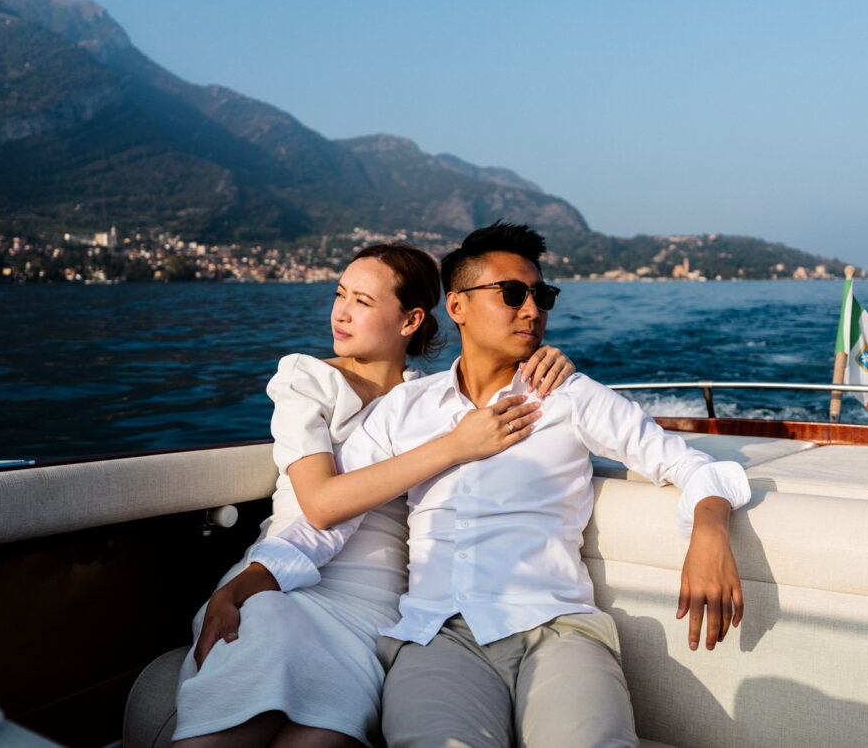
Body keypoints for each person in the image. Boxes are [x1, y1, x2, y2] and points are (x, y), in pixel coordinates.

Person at [253, 222, 752, 748]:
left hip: (558, 629)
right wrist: (253, 581)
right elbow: (334, 513)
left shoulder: (568, 396)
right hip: (438, 635)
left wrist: (711, 533)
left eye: (542, 296)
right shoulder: (405, 409)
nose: (533, 310)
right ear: (457, 306)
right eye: (512, 295)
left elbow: (692, 465)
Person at [172, 242, 576, 748]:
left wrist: (543, 360)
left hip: (380, 608)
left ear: (410, 321)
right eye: (340, 295)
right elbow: (319, 505)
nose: (341, 312)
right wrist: (453, 447)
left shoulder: (428, 398)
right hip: (286, 581)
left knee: (321, 739)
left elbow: (496, 392)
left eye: (362, 301)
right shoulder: (308, 381)